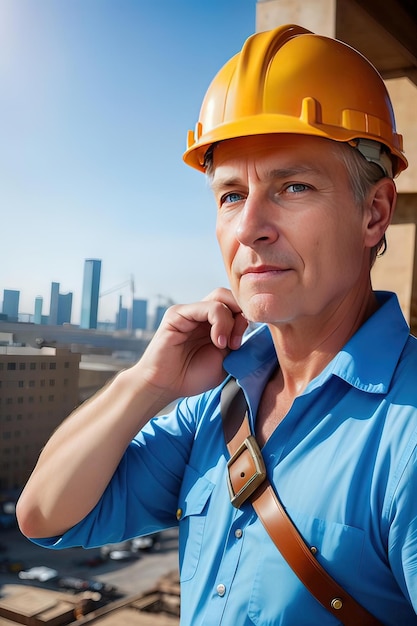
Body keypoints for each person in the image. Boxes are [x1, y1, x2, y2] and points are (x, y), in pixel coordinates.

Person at [16, 23, 417, 625]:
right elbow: (46, 515)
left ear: (374, 213)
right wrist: (146, 382)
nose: (250, 227)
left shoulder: (406, 433)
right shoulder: (219, 402)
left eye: (294, 186)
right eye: (230, 195)